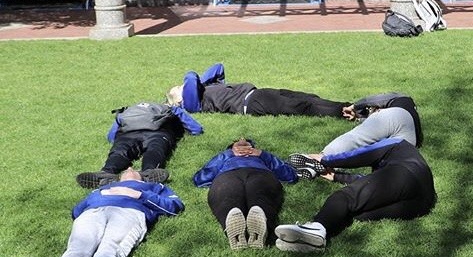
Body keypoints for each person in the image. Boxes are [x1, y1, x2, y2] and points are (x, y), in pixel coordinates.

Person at [26, 169, 185, 257]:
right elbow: (77, 210)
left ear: (143, 178)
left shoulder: (154, 187)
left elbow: (175, 206)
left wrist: (138, 195)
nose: (130, 168)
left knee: (110, 248)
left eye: (135, 169)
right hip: (93, 212)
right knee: (78, 247)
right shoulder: (102, 188)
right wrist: (99, 198)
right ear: (118, 178)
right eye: (127, 169)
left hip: (129, 212)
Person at [274, 138, 436, 253]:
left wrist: (325, 160)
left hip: (405, 174)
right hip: (423, 201)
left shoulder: (397, 142)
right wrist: (337, 176)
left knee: (346, 197)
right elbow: (371, 182)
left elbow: (360, 155)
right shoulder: (403, 159)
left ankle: (317, 227)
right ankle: (311, 242)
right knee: (357, 213)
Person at [192, 137, 299, 249]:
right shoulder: (226, 156)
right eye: (238, 141)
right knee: (228, 195)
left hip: (261, 173)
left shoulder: (261, 156)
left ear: (252, 147)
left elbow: (290, 175)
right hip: (228, 175)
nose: (242, 139)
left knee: (260, 195)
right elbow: (200, 178)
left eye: (246, 141)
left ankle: (262, 227)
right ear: (231, 147)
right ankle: (234, 230)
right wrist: (228, 154)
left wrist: (262, 154)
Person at [76, 102, 203, 189]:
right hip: (157, 132)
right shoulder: (168, 107)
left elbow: (111, 136)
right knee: (155, 149)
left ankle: (106, 172)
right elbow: (196, 129)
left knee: (120, 151)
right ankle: (148, 172)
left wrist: (117, 139)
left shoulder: (128, 110)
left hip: (128, 133)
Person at [167, 63, 348, 118]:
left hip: (259, 93)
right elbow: (191, 76)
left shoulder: (202, 90)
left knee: (307, 97)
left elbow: (218, 68)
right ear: (181, 100)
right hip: (252, 103)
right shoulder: (192, 104)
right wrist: (196, 84)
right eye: (179, 88)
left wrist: (203, 84)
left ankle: (348, 106)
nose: (182, 86)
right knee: (302, 106)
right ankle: (344, 112)